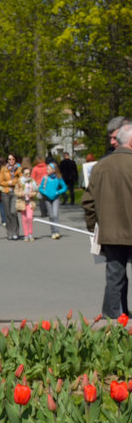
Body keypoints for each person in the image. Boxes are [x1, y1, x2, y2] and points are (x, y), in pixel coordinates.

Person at [82, 122, 132, 318]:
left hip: (111, 232)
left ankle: (111, 319)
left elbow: (88, 202)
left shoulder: (100, 166)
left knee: (114, 277)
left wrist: (94, 228)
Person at [37, 162, 67, 240]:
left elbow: (64, 187)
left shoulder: (59, 178)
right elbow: (40, 188)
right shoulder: (45, 178)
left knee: (55, 215)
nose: (47, 170)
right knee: (51, 215)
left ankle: (57, 231)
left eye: (49, 169)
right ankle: (53, 232)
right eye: (47, 169)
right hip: (47, 199)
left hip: (56, 198)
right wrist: (45, 192)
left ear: (54, 170)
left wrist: (58, 192)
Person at [0, 153, 22, 240]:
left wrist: (13, 183)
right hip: (5, 192)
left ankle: (16, 232)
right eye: (9, 159)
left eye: (13, 159)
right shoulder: (3, 169)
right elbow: (0, 182)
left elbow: (21, 180)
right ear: (7, 160)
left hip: (15, 192)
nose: (11, 161)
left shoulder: (19, 169)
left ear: (15, 160)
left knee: (13, 212)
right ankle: (10, 232)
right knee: (7, 214)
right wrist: (8, 183)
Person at [17, 164, 38, 241]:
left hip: (30, 202)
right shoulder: (19, 182)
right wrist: (21, 194)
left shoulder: (32, 181)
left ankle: (30, 234)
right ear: (23, 174)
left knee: (30, 217)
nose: (28, 175)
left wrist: (31, 194)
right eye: (26, 174)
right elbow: (16, 191)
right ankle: (26, 235)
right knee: (24, 219)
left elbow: (36, 191)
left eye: (29, 173)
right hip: (22, 202)